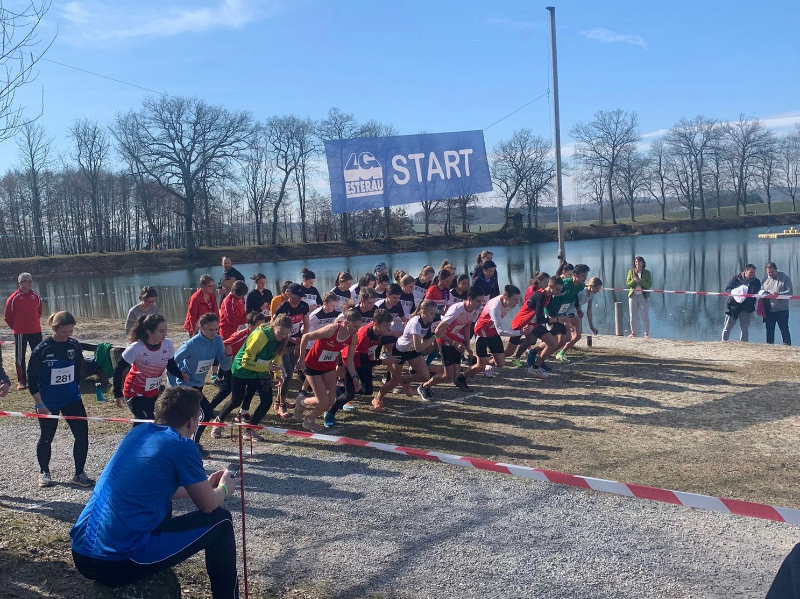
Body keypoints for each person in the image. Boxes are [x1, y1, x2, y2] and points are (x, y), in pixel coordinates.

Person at [70, 386, 238, 599]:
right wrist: (225, 488)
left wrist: (203, 485)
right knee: (222, 521)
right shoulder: (183, 446)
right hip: (117, 561)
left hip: (81, 553)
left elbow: (152, 488)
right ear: (192, 422)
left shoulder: (138, 433)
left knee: (164, 504)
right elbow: (208, 505)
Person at [27, 311, 93, 488]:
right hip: (48, 400)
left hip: (71, 398)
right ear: (54, 329)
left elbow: (78, 368)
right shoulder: (42, 349)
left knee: (82, 435)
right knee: (47, 436)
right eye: (64, 332)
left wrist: (77, 388)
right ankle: (44, 472)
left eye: (70, 332)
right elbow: (31, 380)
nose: (67, 335)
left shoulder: (74, 345)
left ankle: (79, 474)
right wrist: (40, 403)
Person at [212, 314, 291, 441]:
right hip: (242, 370)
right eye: (280, 333)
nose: (282, 336)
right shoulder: (260, 336)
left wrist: (277, 374)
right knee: (236, 401)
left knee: (267, 401)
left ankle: (249, 430)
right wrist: (267, 368)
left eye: (285, 334)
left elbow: (277, 355)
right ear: (273, 326)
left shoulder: (282, 338)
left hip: (260, 371)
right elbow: (245, 362)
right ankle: (218, 421)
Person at [169, 313, 229, 455]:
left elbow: (226, 367)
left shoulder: (217, 340)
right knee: (205, 413)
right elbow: (170, 365)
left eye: (217, 329)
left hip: (199, 385)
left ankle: (183, 444)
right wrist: (173, 388)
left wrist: (228, 355)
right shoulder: (190, 345)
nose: (214, 333)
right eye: (211, 330)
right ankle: (193, 445)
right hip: (186, 386)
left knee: (188, 417)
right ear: (201, 328)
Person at [296, 310, 362, 432]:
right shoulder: (331, 330)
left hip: (329, 367)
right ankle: (302, 402)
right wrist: (301, 358)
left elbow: (349, 361)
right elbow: (306, 337)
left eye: (358, 327)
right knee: (322, 402)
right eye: (354, 327)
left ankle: (309, 420)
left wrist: (354, 376)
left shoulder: (353, 337)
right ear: (345, 323)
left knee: (330, 401)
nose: (357, 330)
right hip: (313, 366)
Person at [207, 310, 268, 440]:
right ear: (250, 326)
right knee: (233, 398)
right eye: (259, 326)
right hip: (236, 369)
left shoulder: (263, 336)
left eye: (263, 325)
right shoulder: (241, 335)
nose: (262, 328)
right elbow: (224, 344)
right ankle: (217, 421)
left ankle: (244, 416)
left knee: (250, 392)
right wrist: (229, 357)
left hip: (252, 369)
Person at [113, 314, 185, 423]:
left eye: (166, 330)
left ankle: (137, 434)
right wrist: (117, 393)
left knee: (148, 421)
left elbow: (170, 365)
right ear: (149, 332)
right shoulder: (135, 348)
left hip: (152, 391)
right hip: (134, 392)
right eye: (161, 331)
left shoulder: (167, 344)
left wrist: (181, 375)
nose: (165, 334)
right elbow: (119, 369)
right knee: (147, 420)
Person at [417, 287, 485, 399]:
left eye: (482, 301)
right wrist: (454, 343)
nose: (480, 304)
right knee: (448, 376)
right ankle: (424, 386)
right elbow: (438, 331)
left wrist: (468, 346)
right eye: (478, 301)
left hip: (456, 340)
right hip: (445, 340)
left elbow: (467, 327)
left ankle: (459, 381)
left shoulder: (475, 311)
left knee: (456, 374)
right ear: (469, 299)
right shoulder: (457, 310)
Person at [515, 276, 571, 380]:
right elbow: (540, 319)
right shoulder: (540, 296)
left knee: (553, 343)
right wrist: (557, 319)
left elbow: (548, 313)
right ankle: (488, 362)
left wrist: (563, 319)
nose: (559, 292)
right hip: (523, 322)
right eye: (557, 289)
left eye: (560, 290)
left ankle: (535, 367)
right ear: (550, 286)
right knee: (507, 353)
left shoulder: (548, 296)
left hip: (533, 323)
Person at [474, 285, 531, 377]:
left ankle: (486, 363)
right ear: (506, 297)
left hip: (493, 330)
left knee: (500, 363)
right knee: (480, 367)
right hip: (482, 332)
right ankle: (464, 375)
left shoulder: (507, 302)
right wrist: (520, 332)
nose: (517, 302)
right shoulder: (495, 307)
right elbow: (501, 331)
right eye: (515, 300)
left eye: (517, 299)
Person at [273, 283, 310, 413]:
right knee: (288, 374)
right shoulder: (282, 308)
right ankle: (282, 405)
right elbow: (274, 327)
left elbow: (306, 325)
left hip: (296, 344)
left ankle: (278, 402)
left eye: (300, 297)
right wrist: (288, 338)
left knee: (287, 375)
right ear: (288, 295)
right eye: (296, 297)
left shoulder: (303, 306)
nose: (299, 300)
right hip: (283, 345)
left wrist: (300, 343)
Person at [4, 272, 43, 389]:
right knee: (20, 357)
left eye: (31, 281)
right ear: (20, 283)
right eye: (27, 281)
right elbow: (7, 316)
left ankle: (38, 378)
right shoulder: (13, 298)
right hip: (20, 332)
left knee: (38, 355)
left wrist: (33, 323)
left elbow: (39, 312)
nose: (30, 283)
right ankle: (21, 381)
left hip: (36, 331)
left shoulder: (36, 296)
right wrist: (16, 327)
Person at [548, 264, 590, 362]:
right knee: (558, 338)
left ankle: (560, 353)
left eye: (586, 276)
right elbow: (551, 295)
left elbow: (575, 297)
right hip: (553, 312)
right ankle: (538, 352)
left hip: (565, 311)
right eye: (583, 276)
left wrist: (578, 309)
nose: (585, 278)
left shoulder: (581, 286)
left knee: (575, 336)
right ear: (575, 275)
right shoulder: (565, 284)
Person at [722, 264, 761, 342]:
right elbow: (728, 289)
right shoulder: (736, 279)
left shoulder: (756, 282)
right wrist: (736, 293)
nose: (752, 274)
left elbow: (757, 293)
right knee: (727, 327)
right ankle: (724, 342)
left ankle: (744, 344)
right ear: (745, 271)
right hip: (734, 306)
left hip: (747, 308)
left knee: (744, 329)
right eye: (751, 272)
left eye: (754, 272)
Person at [762, 262, 792, 346]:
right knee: (769, 330)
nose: (770, 274)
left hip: (782, 309)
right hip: (769, 309)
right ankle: (769, 346)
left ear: (776, 270)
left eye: (772, 272)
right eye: (769, 273)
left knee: (784, 329)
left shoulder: (785, 278)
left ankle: (787, 345)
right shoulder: (765, 280)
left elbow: (790, 292)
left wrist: (778, 294)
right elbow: (761, 291)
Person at [626, 257, 652, 338]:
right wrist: (634, 281)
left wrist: (640, 281)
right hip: (633, 296)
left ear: (642, 263)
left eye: (639, 262)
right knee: (632, 315)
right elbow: (628, 284)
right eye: (636, 262)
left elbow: (648, 285)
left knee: (645, 315)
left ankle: (646, 334)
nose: (637, 264)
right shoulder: (631, 272)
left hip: (643, 296)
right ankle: (633, 333)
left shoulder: (647, 273)